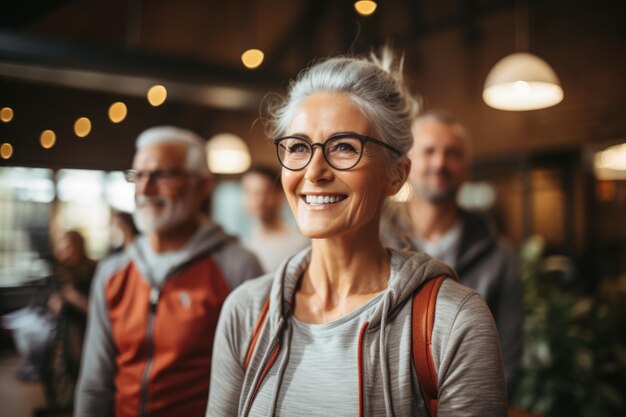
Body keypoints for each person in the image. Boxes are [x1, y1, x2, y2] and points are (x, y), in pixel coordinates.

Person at [207, 50, 507, 416]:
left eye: (345, 147)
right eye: (299, 147)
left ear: (396, 174)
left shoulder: (453, 320)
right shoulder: (246, 312)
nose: (314, 171)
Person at [75, 126, 263, 417]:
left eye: (162, 175)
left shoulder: (238, 267)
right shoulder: (112, 272)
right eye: (138, 176)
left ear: (202, 186)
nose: (145, 189)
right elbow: (94, 383)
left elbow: (254, 382)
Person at [380, 111, 522, 393]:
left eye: (453, 153)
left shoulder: (499, 256)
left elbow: (509, 358)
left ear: (467, 169)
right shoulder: (373, 241)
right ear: (406, 165)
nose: (440, 163)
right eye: (429, 151)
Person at [241, 166, 309, 273]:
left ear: (280, 195)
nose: (258, 200)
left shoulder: (301, 244)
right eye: (250, 193)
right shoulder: (242, 244)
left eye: (264, 192)